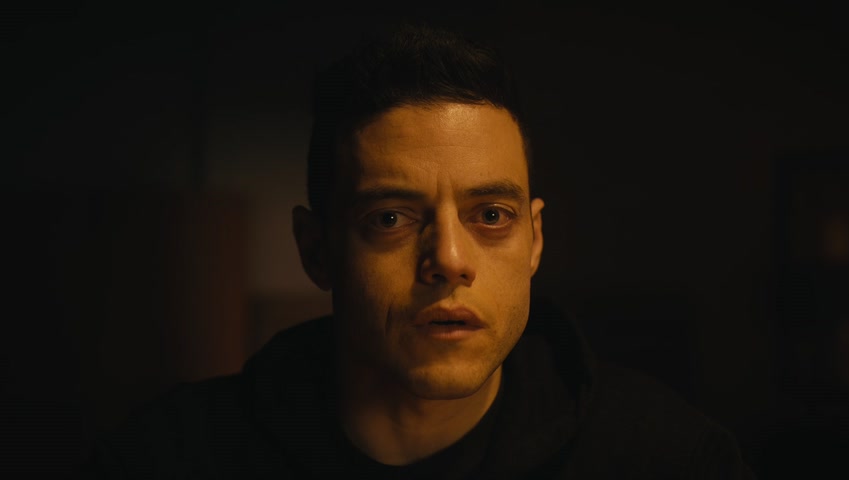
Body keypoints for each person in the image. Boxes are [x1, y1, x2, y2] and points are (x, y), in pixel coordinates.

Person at [85, 24, 755, 478]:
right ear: (317, 251)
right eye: (390, 219)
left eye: (491, 216)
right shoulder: (169, 457)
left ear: (535, 240)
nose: (450, 260)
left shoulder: (670, 459)